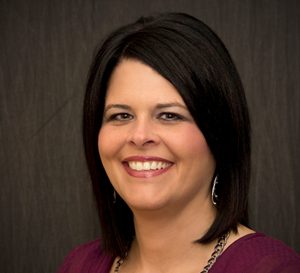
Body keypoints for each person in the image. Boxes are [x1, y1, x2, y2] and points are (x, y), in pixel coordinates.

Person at [57, 12, 300, 273]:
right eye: (121, 115)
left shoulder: (271, 268)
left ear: (219, 134)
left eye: (169, 115)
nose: (139, 136)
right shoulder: (79, 265)